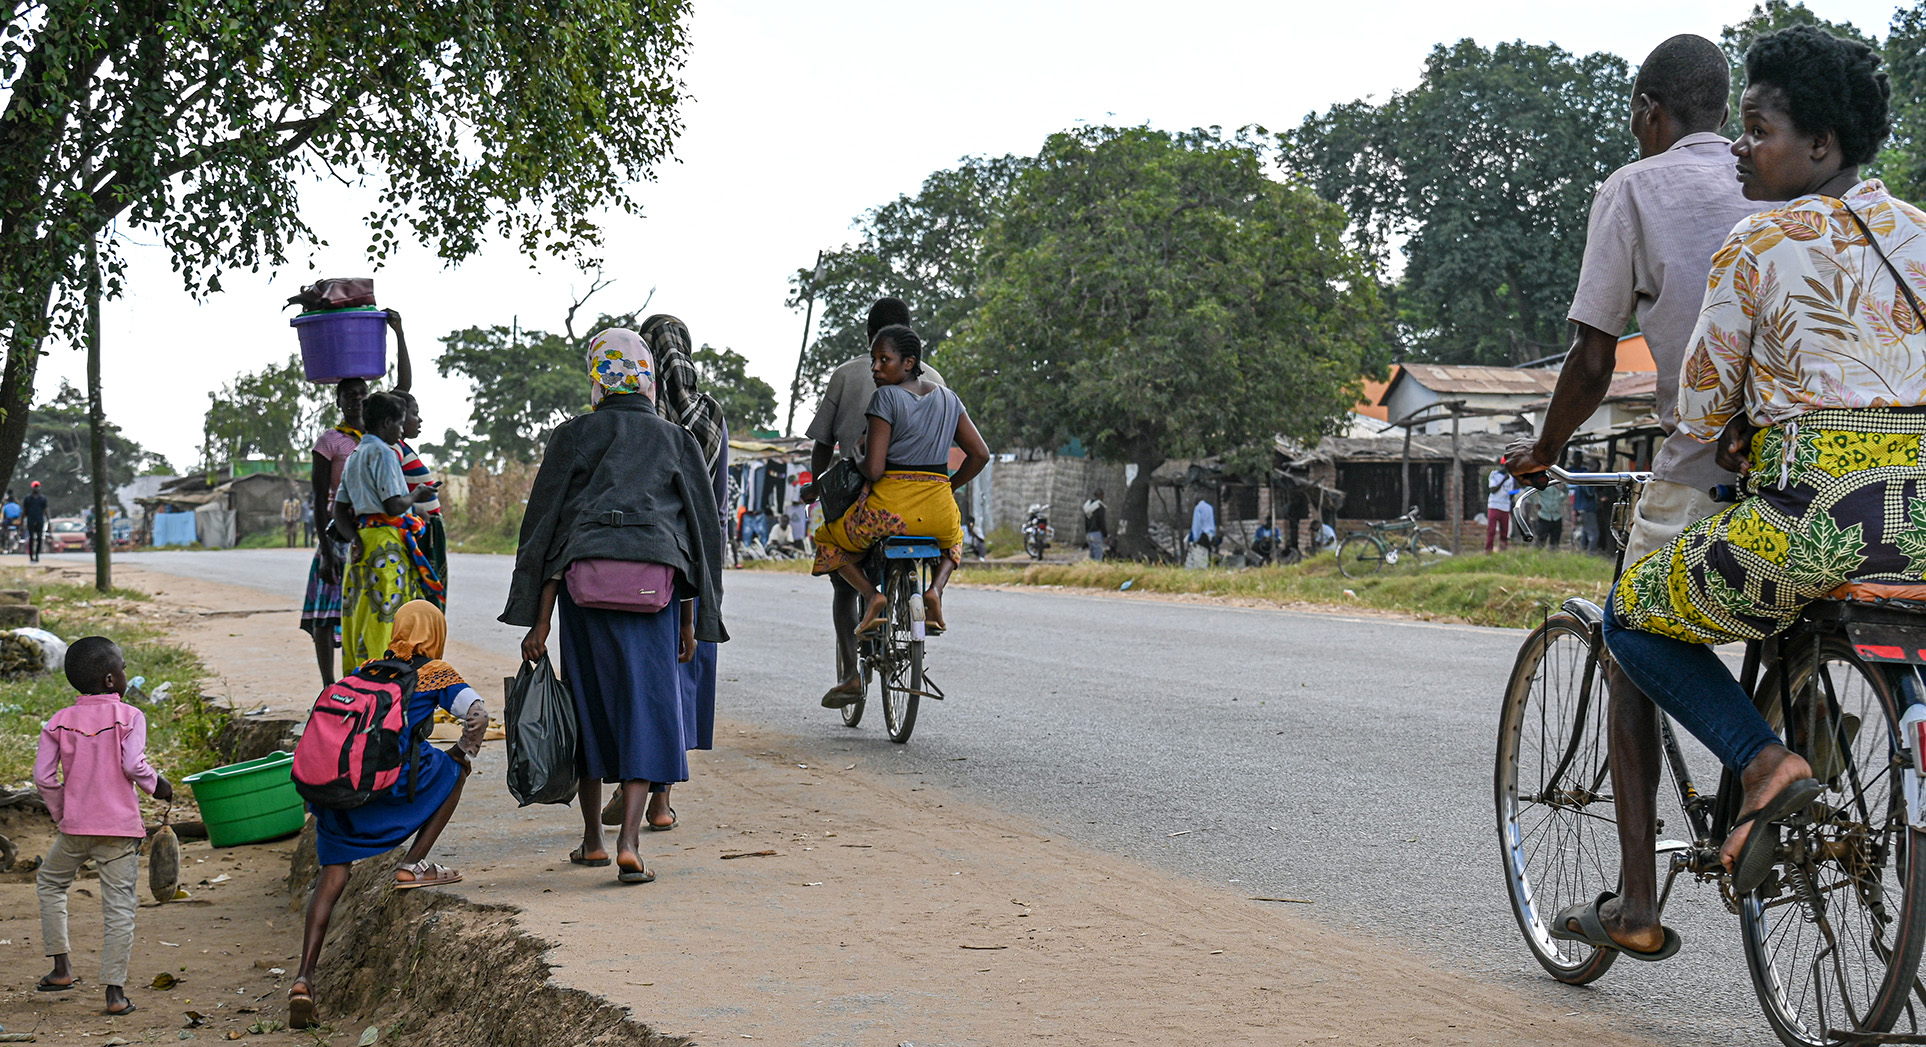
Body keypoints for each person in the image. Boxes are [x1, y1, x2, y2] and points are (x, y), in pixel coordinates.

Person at [1547, 27, 1915, 960]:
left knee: (1632, 616)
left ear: (1821, 147)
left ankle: (1763, 764)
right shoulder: (1917, 231)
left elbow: (1705, 409)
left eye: (1759, 131)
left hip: (1818, 526)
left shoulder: (1760, 240)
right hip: (1918, 526)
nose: (1740, 150)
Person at [1506, 33, 1771, 961]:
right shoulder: (1782, 182)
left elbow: (1589, 358)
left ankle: (1640, 901)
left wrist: (1543, 448)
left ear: (1651, 110)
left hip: (1706, 459)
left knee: (1629, 634)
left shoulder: (1634, 187)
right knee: (1791, 620)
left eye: (1635, 113)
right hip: (1825, 468)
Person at [503, 328, 727, 886]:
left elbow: (545, 528)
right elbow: (701, 536)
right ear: (649, 378)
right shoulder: (677, 439)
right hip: (655, 597)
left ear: (597, 380)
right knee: (647, 711)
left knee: (590, 709)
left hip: (586, 593)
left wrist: (538, 615)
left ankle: (592, 842)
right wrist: (694, 618)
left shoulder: (573, 435)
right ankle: (630, 841)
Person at [290, 601, 484, 1029]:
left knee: (332, 876)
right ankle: (412, 865)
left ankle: (304, 978)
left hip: (343, 789)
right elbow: (478, 713)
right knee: (454, 770)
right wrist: (464, 750)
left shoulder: (368, 668)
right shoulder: (437, 672)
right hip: (390, 785)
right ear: (434, 633)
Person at [800, 298, 946, 708]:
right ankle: (931, 597)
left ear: (873, 338)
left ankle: (849, 673)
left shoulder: (850, 375)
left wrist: (816, 485)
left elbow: (824, 443)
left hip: (865, 499)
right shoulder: (936, 381)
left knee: (840, 572)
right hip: (926, 501)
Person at [812, 324, 989, 644]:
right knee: (954, 542)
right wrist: (950, 486)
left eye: (884, 360)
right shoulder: (950, 398)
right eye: (874, 360)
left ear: (908, 363)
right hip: (939, 512)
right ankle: (934, 591)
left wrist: (858, 455)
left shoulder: (886, 398)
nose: (876, 368)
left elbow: (876, 470)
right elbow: (980, 454)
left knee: (828, 538)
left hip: (889, 512)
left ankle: (873, 596)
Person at [33, 636, 174, 1016]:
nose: (127, 673)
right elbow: (132, 764)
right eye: (124, 667)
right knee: (119, 908)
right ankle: (114, 995)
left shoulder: (59, 721)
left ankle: (61, 968)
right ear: (111, 680)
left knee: (50, 882)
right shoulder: (130, 717)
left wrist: (63, 813)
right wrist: (157, 785)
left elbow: (44, 777)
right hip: (119, 832)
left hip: (75, 829)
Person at [332, 392, 441, 671]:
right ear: (385, 423)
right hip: (386, 547)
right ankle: (385, 687)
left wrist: (354, 539)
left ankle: (358, 688)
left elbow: (339, 511)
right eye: (399, 423)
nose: (401, 430)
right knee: (386, 620)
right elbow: (393, 505)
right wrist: (417, 495)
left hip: (363, 545)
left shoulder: (355, 454)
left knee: (359, 618)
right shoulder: (384, 453)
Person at [302, 380, 367, 686]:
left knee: (368, 610)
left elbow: (403, 388)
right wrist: (326, 550)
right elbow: (318, 498)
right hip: (336, 536)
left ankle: (362, 683)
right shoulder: (330, 442)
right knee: (325, 615)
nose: (356, 400)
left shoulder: (378, 437)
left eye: (361, 395)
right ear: (338, 401)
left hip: (372, 532)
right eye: (349, 396)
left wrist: (398, 333)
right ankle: (329, 686)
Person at [393, 392, 447, 605]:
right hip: (417, 531)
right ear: (399, 416)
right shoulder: (393, 450)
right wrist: (415, 509)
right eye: (415, 414)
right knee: (423, 598)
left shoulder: (402, 448)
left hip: (427, 529)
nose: (419, 420)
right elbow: (389, 493)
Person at [1484, 465, 1516, 552]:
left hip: (1505, 506)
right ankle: (1488, 549)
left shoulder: (1511, 477)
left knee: (1504, 531)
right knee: (1492, 530)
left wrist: (1514, 492)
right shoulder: (1494, 474)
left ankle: (1503, 549)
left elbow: (1509, 493)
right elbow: (1493, 490)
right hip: (1494, 505)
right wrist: (1503, 480)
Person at [1533, 484, 1568, 548]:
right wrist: (1536, 502)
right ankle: (1536, 555)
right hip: (1544, 515)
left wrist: (1560, 499)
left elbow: (1566, 491)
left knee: (1555, 542)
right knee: (1541, 540)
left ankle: (1553, 556)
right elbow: (1528, 489)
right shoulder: (1543, 481)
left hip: (1557, 516)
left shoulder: (1558, 481)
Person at [1082, 490, 1108, 562]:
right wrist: (1105, 535)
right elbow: (1101, 522)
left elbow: (1086, 523)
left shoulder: (1087, 506)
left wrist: (1086, 533)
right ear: (1100, 495)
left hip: (1089, 533)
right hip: (1097, 533)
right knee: (1098, 555)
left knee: (1092, 555)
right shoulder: (1099, 506)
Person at [24, 481, 47, 561]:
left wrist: (48, 520)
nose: (36, 488)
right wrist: (22, 520)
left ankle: (37, 554)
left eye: (37, 486)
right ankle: (31, 555)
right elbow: (24, 510)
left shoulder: (43, 498)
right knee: (31, 538)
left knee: (39, 538)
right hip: (30, 520)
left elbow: (45, 510)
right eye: (34, 486)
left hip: (40, 520)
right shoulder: (28, 498)